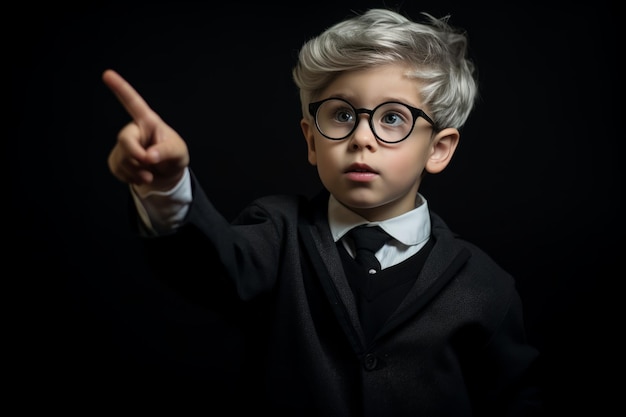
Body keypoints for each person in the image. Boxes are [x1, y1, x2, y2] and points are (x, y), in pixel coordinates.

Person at [103, 7, 544, 416]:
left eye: (393, 118)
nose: (362, 138)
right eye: (342, 115)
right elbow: (210, 265)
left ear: (439, 148)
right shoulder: (276, 232)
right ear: (312, 140)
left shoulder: (487, 287)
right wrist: (165, 185)